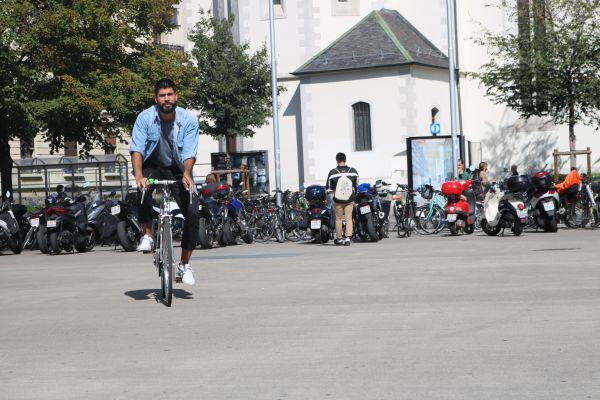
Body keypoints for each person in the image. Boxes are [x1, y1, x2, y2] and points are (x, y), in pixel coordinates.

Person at [130, 78, 199, 285]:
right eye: (162, 95)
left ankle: (184, 265)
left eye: (170, 94)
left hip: (177, 168)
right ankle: (148, 235)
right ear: (156, 99)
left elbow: (189, 151)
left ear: (176, 96)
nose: (166, 99)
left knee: (193, 211)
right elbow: (137, 149)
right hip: (152, 165)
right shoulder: (144, 118)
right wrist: (139, 176)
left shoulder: (188, 120)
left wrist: (187, 174)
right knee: (143, 189)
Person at [326, 152, 359, 246]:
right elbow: (356, 185)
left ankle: (339, 239)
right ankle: (348, 239)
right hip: (350, 199)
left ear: (337, 161)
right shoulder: (353, 171)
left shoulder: (333, 172)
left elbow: (328, 188)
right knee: (349, 219)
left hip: (338, 200)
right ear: (345, 160)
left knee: (338, 219)